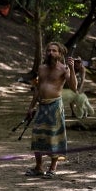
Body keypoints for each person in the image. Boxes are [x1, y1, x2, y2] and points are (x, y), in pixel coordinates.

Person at [24, 42, 76, 178]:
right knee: (38, 136)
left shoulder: (64, 69)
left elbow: (74, 87)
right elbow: (37, 90)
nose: (51, 53)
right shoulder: (41, 68)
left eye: (54, 51)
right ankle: (38, 167)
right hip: (42, 106)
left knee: (54, 137)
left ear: (60, 54)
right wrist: (31, 107)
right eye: (48, 50)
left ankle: (52, 168)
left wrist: (72, 68)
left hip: (55, 106)